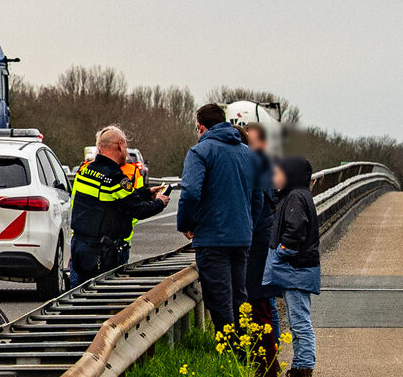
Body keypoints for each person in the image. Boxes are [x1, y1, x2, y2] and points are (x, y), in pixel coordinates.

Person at [178, 103, 262, 334]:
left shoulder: (200, 152)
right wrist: (247, 225)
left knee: (220, 300)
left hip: (213, 239)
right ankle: (243, 356)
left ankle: (229, 357)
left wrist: (187, 224)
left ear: (201, 127)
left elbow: (191, 192)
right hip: (242, 238)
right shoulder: (248, 155)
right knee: (239, 298)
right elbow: (258, 200)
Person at [68, 126, 167, 287]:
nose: (126, 152)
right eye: (126, 148)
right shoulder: (115, 178)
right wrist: (160, 202)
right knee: (101, 301)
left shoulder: (85, 171)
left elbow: (108, 200)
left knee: (77, 296)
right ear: (120, 146)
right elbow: (139, 209)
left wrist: (146, 192)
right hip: (101, 253)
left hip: (79, 245)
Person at [264, 156, 320, 377]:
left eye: (278, 174)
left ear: (291, 175)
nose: (274, 178)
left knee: (299, 323)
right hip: (298, 269)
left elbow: (295, 230)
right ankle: (298, 371)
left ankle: (304, 375)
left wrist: (281, 253)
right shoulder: (296, 195)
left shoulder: (295, 197)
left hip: (296, 269)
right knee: (298, 322)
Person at [240, 122, 281, 377]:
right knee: (267, 304)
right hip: (263, 244)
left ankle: (269, 363)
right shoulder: (263, 165)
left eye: (249, 142)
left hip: (261, 246)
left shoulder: (261, 167)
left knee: (264, 305)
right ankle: (271, 359)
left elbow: (263, 207)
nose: (246, 146)